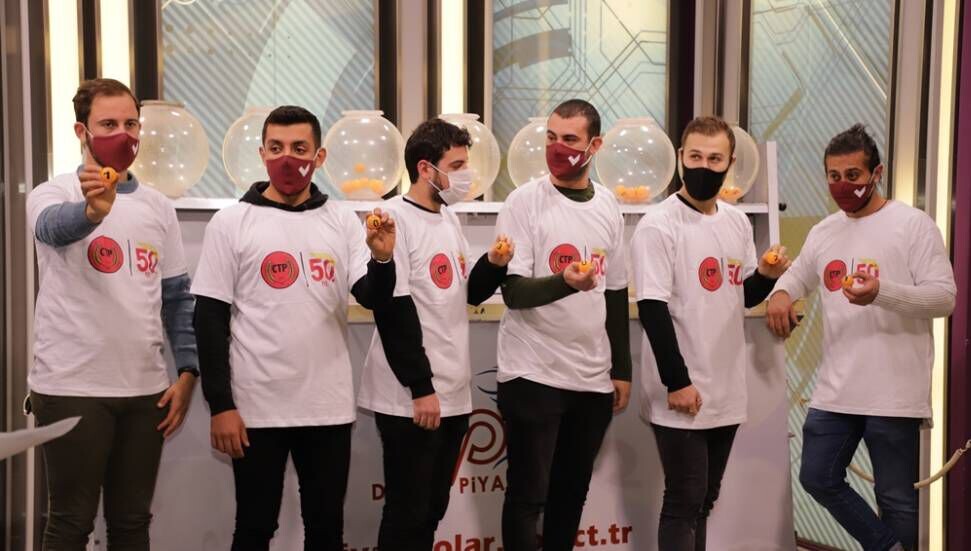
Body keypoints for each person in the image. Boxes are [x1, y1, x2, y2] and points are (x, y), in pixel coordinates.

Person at [191, 105, 397, 551]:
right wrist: (221, 405)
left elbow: (371, 297)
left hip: (327, 408)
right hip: (255, 409)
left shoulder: (341, 221)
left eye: (299, 149)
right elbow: (208, 318)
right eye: (276, 148)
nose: (287, 159)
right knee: (254, 529)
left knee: (326, 531)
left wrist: (382, 259)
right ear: (262, 153)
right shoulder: (231, 222)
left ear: (319, 157)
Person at [25, 77, 198, 550]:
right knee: (71, 523)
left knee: (131, 524)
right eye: (108, 124)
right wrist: (92, 212)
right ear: (81, 131)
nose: (123, 135)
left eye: (131, 123)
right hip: (71, 386)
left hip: (145, 392)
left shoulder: (157, 207)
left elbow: (177, 298)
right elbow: (51, 229)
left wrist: (187, 372)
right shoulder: (52, 192)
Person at [766, 124, 956, 551]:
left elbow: (944, 298)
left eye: (852, 175)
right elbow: (798, 276)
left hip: (895, 391)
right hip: (835, 389)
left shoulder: (913, 225)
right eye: (833, 176)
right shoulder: (824, 231)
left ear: (877, 173)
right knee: (817, 477)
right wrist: (780, 293)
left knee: (896, 500)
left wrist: (881, 293)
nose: (842, 185)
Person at [631, 115, 789, 551]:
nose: (704, 166)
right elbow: (652, 308)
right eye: (696, 156)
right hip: (681, 389)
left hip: (726, 390)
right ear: (681, 157)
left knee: (704, 501)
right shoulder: (658, 225)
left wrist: (767, 275)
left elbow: (740, 297)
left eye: (715, 159)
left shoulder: (736, 223)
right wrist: (677, 382)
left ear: (730, 163)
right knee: (684, 500)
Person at [358, 117, 514, 549]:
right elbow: (393, 308)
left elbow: (466, 294)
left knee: (432, 509)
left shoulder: (447, 219)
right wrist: (421, 387)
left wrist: (493, 264)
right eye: (457, 166)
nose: (466, 175)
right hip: (411, 395)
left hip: (452, 391)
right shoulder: (392, 218)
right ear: (426, 169)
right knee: (407, 511)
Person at [493, 99, 631, 551]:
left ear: (595, 145)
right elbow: (514, 291)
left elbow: (615, 291)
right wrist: (565, 282)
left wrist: (622, 368)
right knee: (527, 495)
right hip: (532, 371)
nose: (557, 148)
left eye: (570, 139)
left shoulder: (608, 205)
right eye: (551, 137)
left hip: (591, 377)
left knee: (570, 495)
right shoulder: (523, 202)